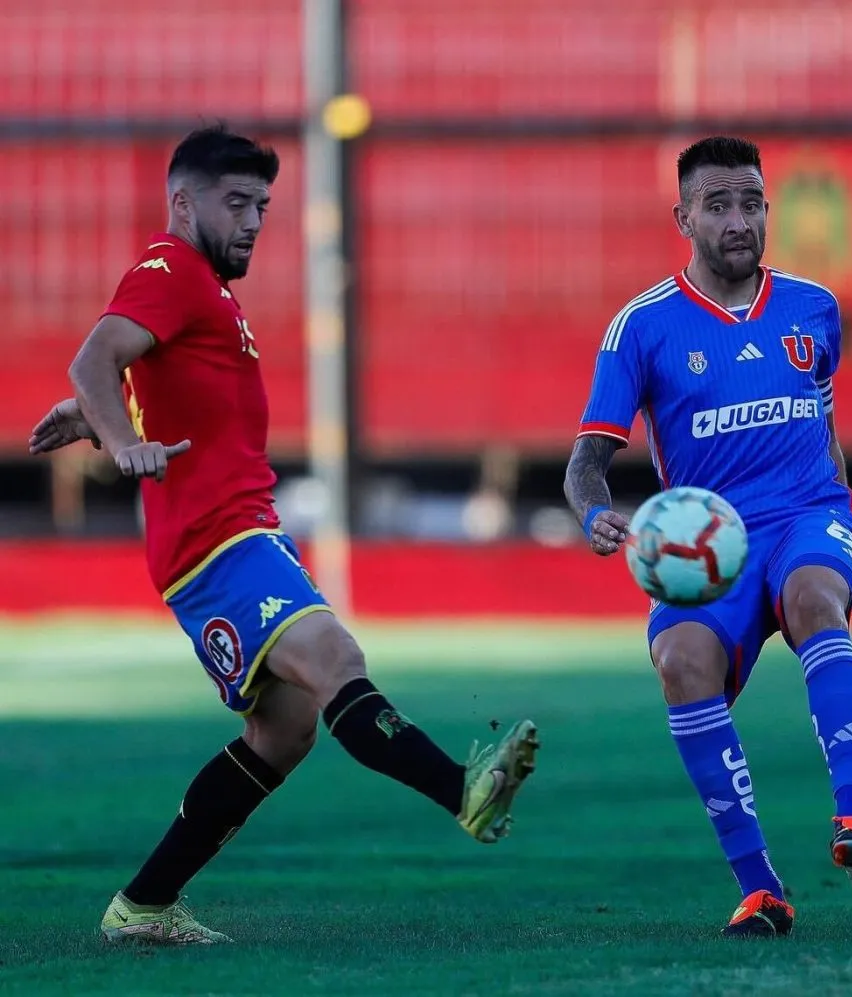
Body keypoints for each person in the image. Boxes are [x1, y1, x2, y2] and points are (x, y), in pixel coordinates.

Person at [29, 125, 539, 945]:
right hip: (220, 539)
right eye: (236, 203)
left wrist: (103, 420)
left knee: (285, 729)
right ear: (183, 202)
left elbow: (151, 383)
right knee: (335, 657)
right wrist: (121, 443)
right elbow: (94, 356)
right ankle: (464, 790)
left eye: (262, 205)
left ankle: (144, 905)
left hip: (233, 535)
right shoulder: (171, 269)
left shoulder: (205, 291)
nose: (254, 220)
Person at [562, 136, 852, 938]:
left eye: (752, 202)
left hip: (810, 513)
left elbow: (827, 432)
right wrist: (594, 512)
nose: (739, 219)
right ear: (683, 217)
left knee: (818, 597)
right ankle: (761, 891)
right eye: (718, 204)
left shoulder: (814, 307)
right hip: (713, 542)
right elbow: (584, 463)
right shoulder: (641, 327)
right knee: (680, 662)